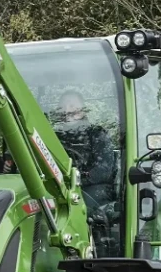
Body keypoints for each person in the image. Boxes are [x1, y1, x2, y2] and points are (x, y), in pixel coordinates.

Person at [48, 91, 122, 254]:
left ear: (82, 109)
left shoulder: (96, 134)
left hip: (92, 188)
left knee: (81, 206)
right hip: (58, 187)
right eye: (64, 106)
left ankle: (95, 251)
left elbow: (103, 171)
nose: (68, 109)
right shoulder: (54, 137)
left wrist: (77, 180)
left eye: (72, 105)